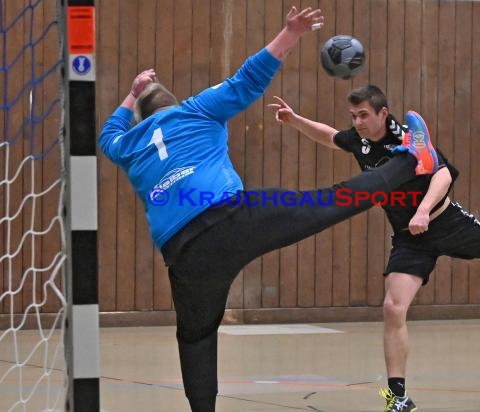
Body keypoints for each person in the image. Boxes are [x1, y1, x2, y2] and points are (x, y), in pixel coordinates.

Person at [98, 8, 440, 412]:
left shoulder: (127, 144)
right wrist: (290, 33)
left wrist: (133, 93)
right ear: (172, 105)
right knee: (327, 202)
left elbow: (107, 133)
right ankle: (410, 160)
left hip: (185, 252)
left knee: (195, 337)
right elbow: (249, 80)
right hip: (233, 218)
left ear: (139, 117)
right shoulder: (196, 109)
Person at [268, 86, 480, 412]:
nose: (357, 122)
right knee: (393, 308)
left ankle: (459, 248)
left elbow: (442, 175)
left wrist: (424, 210)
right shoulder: (358, 140)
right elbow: (331, 137)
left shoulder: (408, 137)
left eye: (364, 115)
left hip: (446, 221)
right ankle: (397, 398)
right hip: (410, 237)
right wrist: (296, 120)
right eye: (353, 116)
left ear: (383, 114)